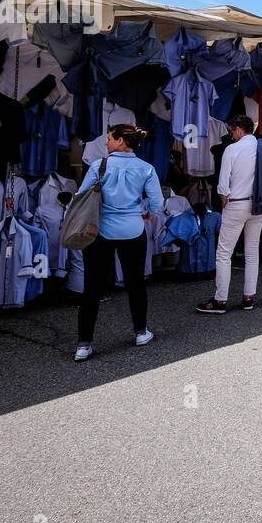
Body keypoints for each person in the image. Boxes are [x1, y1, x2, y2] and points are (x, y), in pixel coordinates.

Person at [74, 124, 164, 362]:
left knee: (92, 286)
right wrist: (146, 214)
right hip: (133, 229)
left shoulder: (98, 166)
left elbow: (81, 197)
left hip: (100, 230)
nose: (106, 143)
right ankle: (141, 332)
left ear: (122, 141)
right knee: (135, 283)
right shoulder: (146, 168)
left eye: (110, 139)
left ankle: (84, 344)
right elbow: (157, 203)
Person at [197, 115, 262, 314]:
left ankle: (220, 300)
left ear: (237, 129)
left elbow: (223, 184)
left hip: (237, 203)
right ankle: (248, 297)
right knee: (252, 251)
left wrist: (224, 199)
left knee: (224, 253)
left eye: (231, 131)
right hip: (259, 204)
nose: (231, 135)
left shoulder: (233, 149)